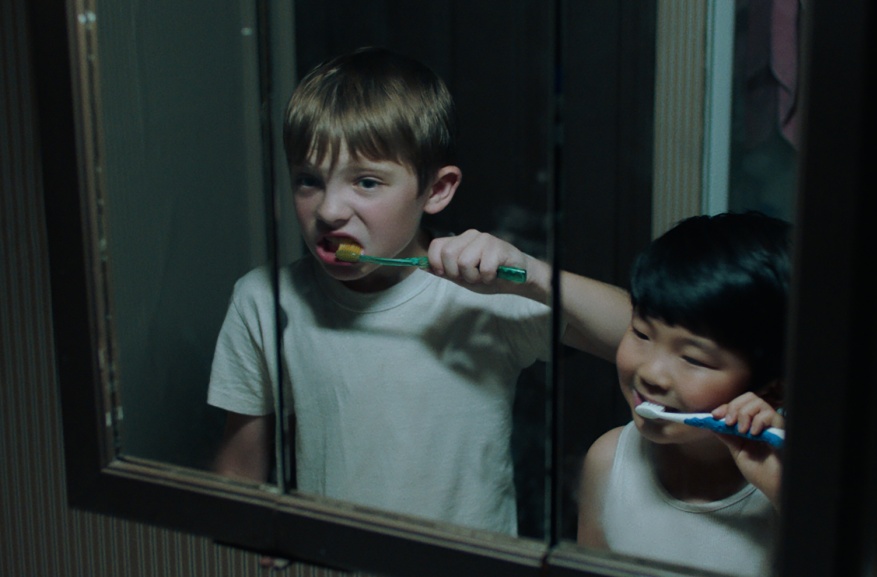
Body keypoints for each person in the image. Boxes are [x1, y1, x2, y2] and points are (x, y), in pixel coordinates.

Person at [207, 46, 628, 537]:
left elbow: (642, 338)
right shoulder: (264, 300)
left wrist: (535, 276)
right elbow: (239, 470)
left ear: (437, 190)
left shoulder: (482, 293)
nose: (328, 210)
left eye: (366, 182)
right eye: (309, 181)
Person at [575, 212, 790, 576]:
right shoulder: (609, 461)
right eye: (641, 333)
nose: (650, 373)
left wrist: (783, 492)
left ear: (773, 387)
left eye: (692, 358)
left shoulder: (789, 486)